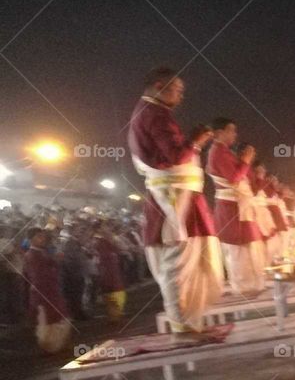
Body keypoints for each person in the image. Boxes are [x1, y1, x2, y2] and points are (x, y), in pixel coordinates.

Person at [127, 67, 223, 340]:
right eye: (178, 90)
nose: (181, 97)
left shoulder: (149, 112)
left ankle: (188, 322)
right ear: (159, 85)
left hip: (178, 197)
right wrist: (196, 141)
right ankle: (182, 326)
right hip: (174, 201)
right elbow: (175, 155)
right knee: (178, 264)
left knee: (188, 260)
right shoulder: (155, 114)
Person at [206, 121, 265, 295]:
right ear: (218, 132)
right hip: (232, 209)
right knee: (238, 252)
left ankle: (254, 285)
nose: (234, 135)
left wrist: (249, 166)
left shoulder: (227, 154)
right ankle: (244, 290)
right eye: (231, 131)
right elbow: (233, 178)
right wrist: (245, 162)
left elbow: (250, 187)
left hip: (242, 208)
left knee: (250, 249)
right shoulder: (217, 152)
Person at [23, 228, 72, 353]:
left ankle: (58, 345)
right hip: (43, 293)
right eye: (39, 236)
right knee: (49, 320)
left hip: (52, 290)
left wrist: (56, 261)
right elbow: (37, 276)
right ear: (31, 239)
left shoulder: (42, 252)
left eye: (43, 236)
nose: (42, 239)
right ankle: (51, 347)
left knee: (59, 317)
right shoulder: (31, 255)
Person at [91, 221, 126, 319]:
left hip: (113, 267)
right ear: (98, 229)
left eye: (106, 226)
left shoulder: (109, 238)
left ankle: (115, 312)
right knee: (110, 290)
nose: (106, 228)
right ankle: (113, 314)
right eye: (104, 227)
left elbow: (121, 248)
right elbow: (94, 255)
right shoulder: (96, 240)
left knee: (117, 290)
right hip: (104, 269)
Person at [250, 162, 279, 262]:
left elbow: (270, 194)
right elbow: (255, 190)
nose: (262, 172)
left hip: (265, 216)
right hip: (256, 215)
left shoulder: (263, 183)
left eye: (263, 170)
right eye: (259, 170)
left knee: (272, 243)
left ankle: (268, 264)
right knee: (260, 245)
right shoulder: (253, 181)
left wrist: (272, 184)